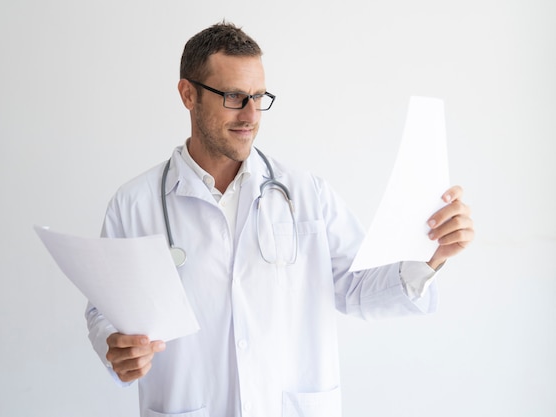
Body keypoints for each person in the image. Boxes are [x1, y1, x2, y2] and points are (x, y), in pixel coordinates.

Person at [86, 21, 474, 417]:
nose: (251, 115)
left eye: (259, 96)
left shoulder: (307, 194)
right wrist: (114, 345)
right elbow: (103, 311)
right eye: (235, 96)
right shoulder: (134, 204)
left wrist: (432, 256)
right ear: (188, 94)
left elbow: (357, 288)